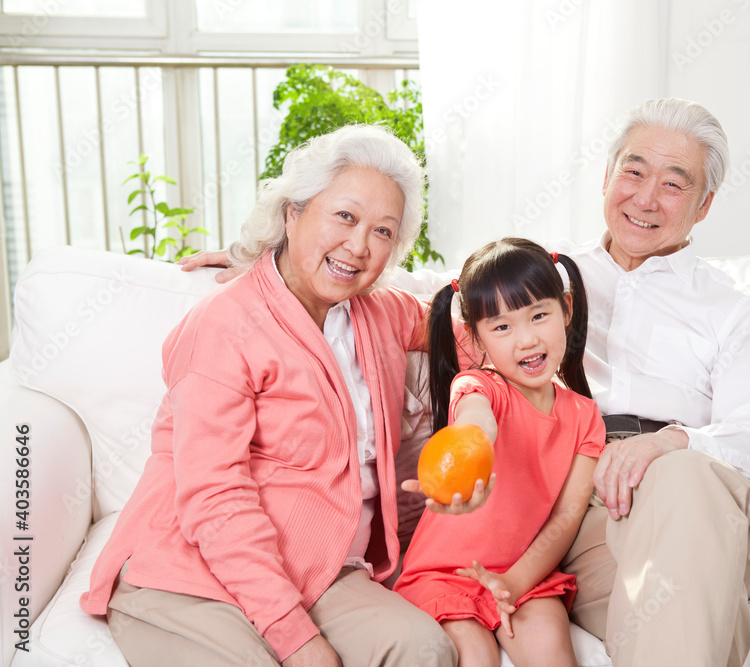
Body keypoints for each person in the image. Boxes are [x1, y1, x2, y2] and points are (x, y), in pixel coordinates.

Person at [182, 97, 750, 667]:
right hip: (582, 510)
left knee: (682, 494)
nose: (646, 197)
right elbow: (450, 301)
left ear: (703, 204)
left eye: (674, 182)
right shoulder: (548, 274)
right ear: (607, 177)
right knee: (658, 605)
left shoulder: (736, 312)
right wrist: (280, 265)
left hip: (695, 495)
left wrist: (667, 444)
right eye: (634, 172)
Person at [79, 124, 489, 667]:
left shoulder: (381, 312)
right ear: (293, 213)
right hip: (189, 572)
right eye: (344, 216)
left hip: (317, 568)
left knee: (424, 649)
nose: (359, 246)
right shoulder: (223, 327)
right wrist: (295, 639)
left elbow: (482, 335)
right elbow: (214, 497)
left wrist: (477, 415)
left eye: (383, 231)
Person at [393, 238, 605, 667]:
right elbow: (475, 421)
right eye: (502, 327)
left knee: (550, 646)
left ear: (566, 309)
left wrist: (513, 581)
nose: (527, 339)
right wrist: (476, 448)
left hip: (521, 572)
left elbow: (566, 517)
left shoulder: (586, 417)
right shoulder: (479, 387)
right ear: (476, 338)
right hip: (445, 572)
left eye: (539, 316)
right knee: (474, 657)